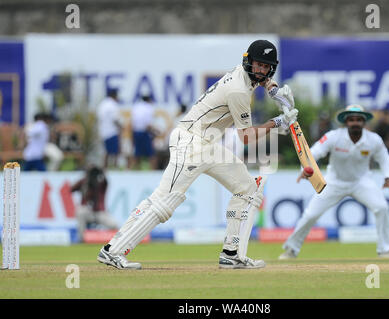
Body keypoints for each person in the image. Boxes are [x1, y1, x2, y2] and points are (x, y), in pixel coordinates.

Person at [97, 39, 298, 269]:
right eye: (258, 64)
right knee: (165, 201)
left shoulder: (247, 76)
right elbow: (246, 137)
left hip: (208, 144)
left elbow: (261, 81)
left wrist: (273, 90)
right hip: (191, 143)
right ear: (248, 62)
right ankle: (113, 250)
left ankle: (232, 254)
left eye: (266, 66)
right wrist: (277, 122)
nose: (261, 70)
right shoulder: (238, 91)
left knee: (248, 189)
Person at [279, 105, 389, 260]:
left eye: (358, 119)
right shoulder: (334, 136)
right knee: (310, 215)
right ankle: (291, 249)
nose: (355, 122)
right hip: (334, 181)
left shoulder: (374, 139)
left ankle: (385, 250)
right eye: (351, 119)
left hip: (361, 181)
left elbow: (384, 159)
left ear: (364, 122)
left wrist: (388, 178)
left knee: (381, 208)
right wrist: (306, 168)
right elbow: (313, 153)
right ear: (346, 122)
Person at [71, 166, 118, 242]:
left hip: (100, 212)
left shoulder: (101, 183)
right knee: (79, 212)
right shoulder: (84, 182)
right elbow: (72, 189)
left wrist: (100, 172)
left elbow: (105, 181)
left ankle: (114, 242)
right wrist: (85, 179)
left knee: (114, 225)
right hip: (88, 212)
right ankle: (81, 239)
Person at [130, 95, 159, 170]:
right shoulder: (148, 107)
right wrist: (156, 132)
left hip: (136, 132)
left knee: (137, 154)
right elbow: (148, 125)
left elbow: (133, 122)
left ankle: (133, 171)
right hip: (144, 133)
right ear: (148, 100)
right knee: (151, 154)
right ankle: (153, 172)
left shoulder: (136, 106)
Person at [97, 88, 123, 168]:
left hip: (103, 132)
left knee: (106, 152)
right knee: (115, 152)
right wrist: (121, 127)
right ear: (114, 95)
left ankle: (104, 168)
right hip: (111, 132)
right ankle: (115, 168)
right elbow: (115, 120)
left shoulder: (102, 104)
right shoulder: (112, 105)